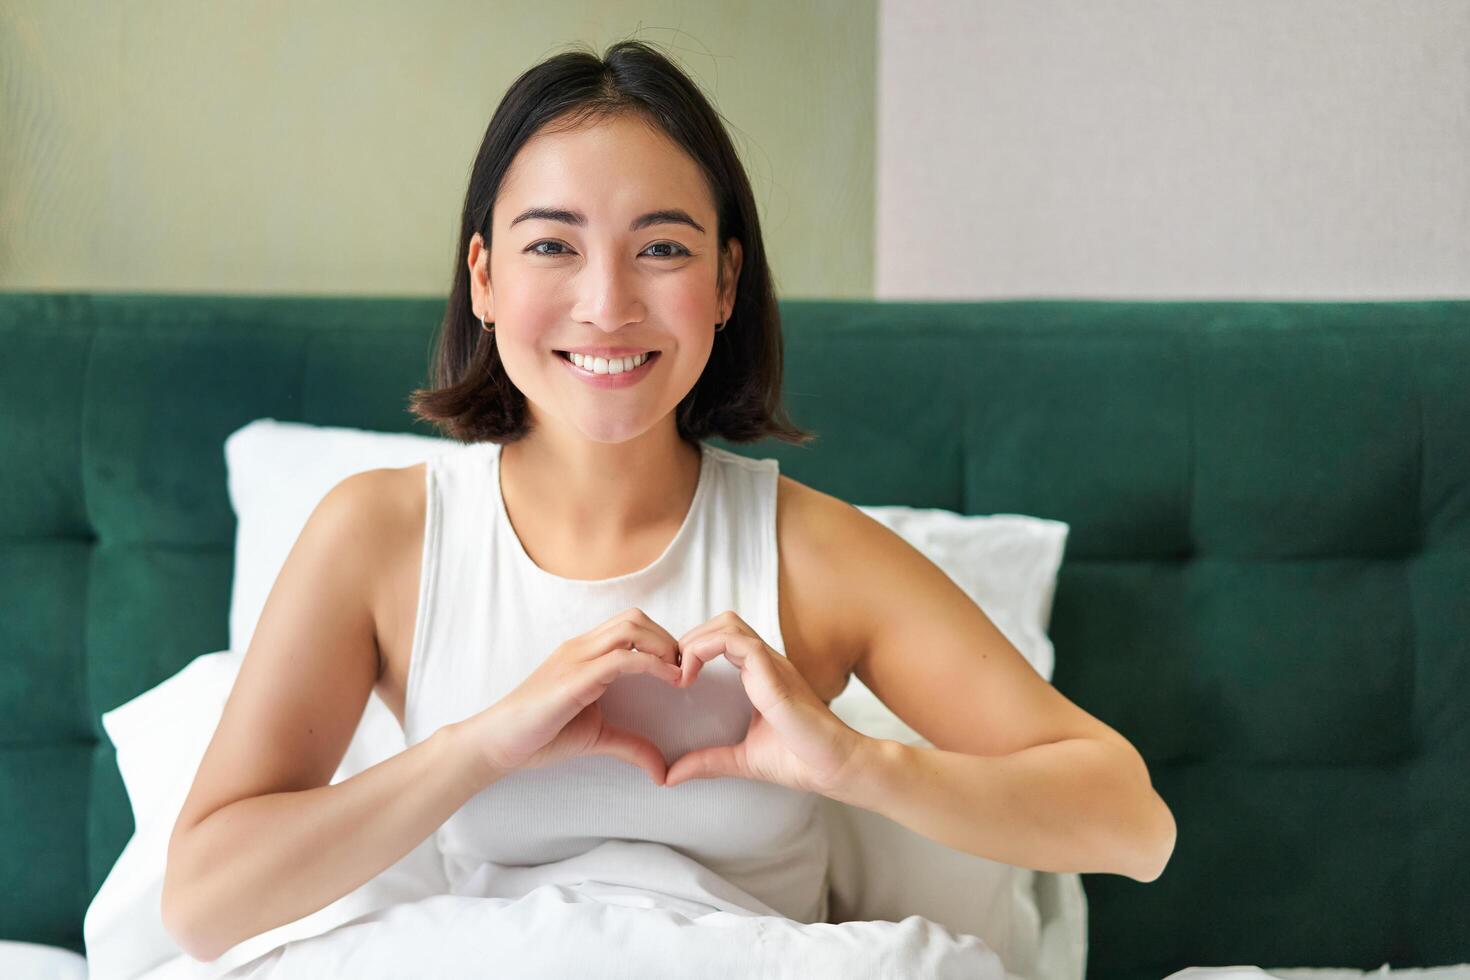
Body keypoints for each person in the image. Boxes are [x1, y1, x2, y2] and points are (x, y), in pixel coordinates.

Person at [164, 37, 1169, 975]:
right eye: (552, 246)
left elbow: (1133, 823)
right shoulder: (379, 537)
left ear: (728, 280)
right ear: (483, 277)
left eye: (663, 248)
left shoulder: (812, 553)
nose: (607, 304)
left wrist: (851, 760)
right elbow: (204, 900)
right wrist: (484, 743)